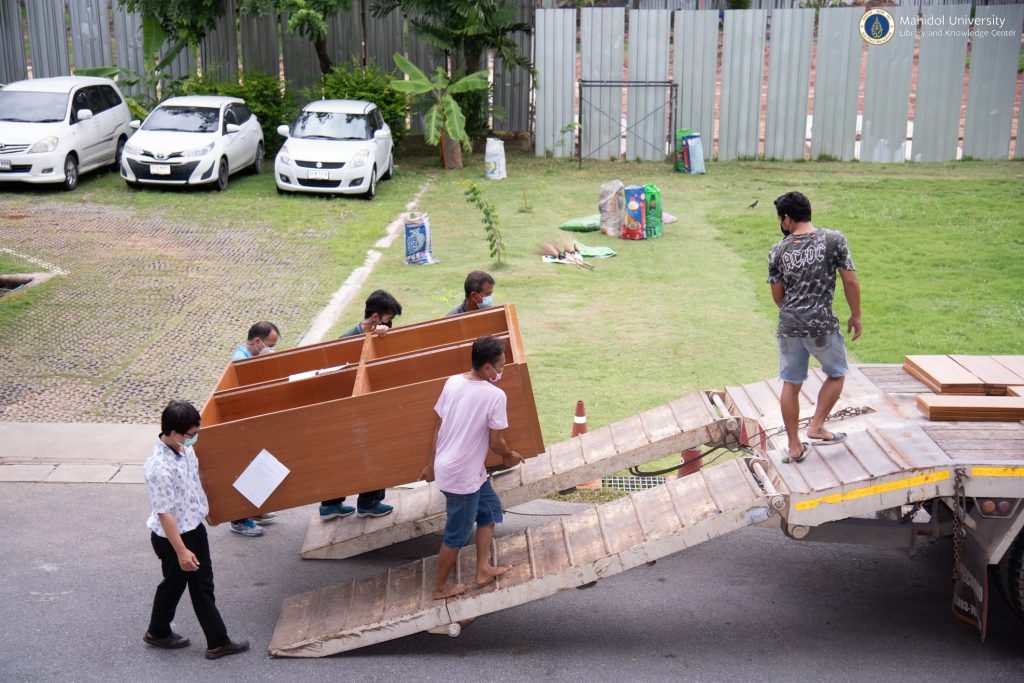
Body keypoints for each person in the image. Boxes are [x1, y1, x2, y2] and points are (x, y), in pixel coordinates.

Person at [143, 400, 250, 660]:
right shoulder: (159, 467)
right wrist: (181, 551)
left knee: (187, 585)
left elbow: (193, 487)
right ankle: (215, 641)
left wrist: (208, 513)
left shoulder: (185, 448)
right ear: (175, 433)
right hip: (174, 539)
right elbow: (164, 513)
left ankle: (160, 632)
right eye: (192, 434)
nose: (195, 438)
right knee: (187, 585)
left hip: (194, 529)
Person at [420, 335, 525, 600]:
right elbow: (497, 443)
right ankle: (439, 589)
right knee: (456, 535)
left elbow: (437, 425)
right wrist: (510, 456)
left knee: (489, 510)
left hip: (461, 470)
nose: (502, 370)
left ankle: (483, 569)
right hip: (462, 477)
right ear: (488, 368)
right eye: (500, 366)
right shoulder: (495, 396)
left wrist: (431, 464)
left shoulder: (453, 382)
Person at [768, 191, 862, 463]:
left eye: (780, 219)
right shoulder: (834, 240)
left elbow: (777, 296)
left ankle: (794, 446)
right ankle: (817, 426)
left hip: (789, 325)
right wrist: (856, 315)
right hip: (821, 325)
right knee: (837, 373)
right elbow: (850, 281)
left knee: (791, 383)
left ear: (787, 218)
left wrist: (794, 313)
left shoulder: (777, 250)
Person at [319, 290, 404, 520]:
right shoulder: (346, 341)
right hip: (348, 410)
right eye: (388, 319)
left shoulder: (380, 336)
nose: (390, 324)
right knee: (355, 454)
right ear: (375, 317)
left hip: (367, 407)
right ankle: (348, 504)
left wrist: (383, 338)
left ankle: (345, 504)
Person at [228, 321, 281, 536]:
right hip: (242, 426)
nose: (272, 349)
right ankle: (239, 519)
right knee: (246, 469)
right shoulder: (241, 361)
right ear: (258, 341)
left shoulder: (249, 356)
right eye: (271, 345)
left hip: (252, 423)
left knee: (258, 465)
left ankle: (254, 510)